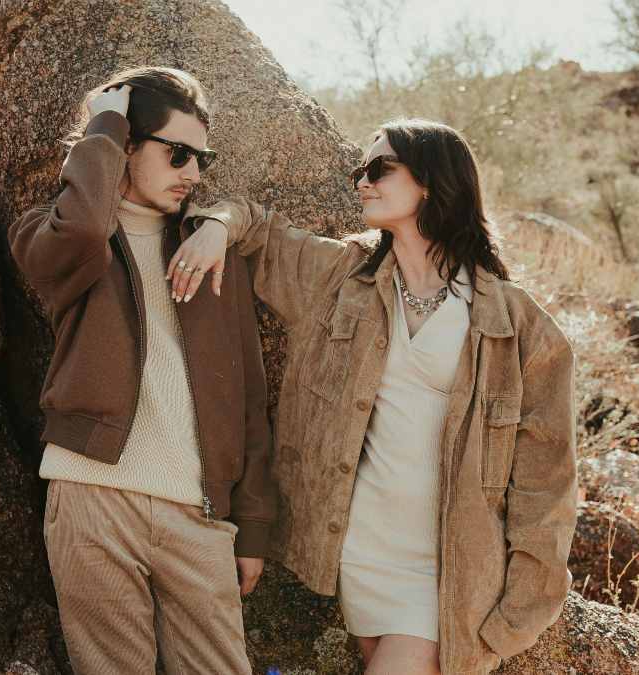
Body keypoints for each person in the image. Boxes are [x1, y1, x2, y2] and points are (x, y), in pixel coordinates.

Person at [172, 118, 578, 674]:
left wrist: (522, 608)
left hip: (452, 573)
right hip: (362, 552)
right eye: (359, 170)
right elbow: (260, 233)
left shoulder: (519, 325)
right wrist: (217, 226)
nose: (361, 182)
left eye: (379, 169)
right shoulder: (345, 279)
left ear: (432, 182)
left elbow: (547, 482)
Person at [7, 66, 275, 674]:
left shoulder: (211, 254)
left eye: (200, 158)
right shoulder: (50, 236)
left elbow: (249, 399)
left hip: (197, 512)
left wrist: (251, 525)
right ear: (125, 145)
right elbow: (78, 229)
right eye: (178, 154)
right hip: (91, 499)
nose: (194, 174)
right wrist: (102, 126)